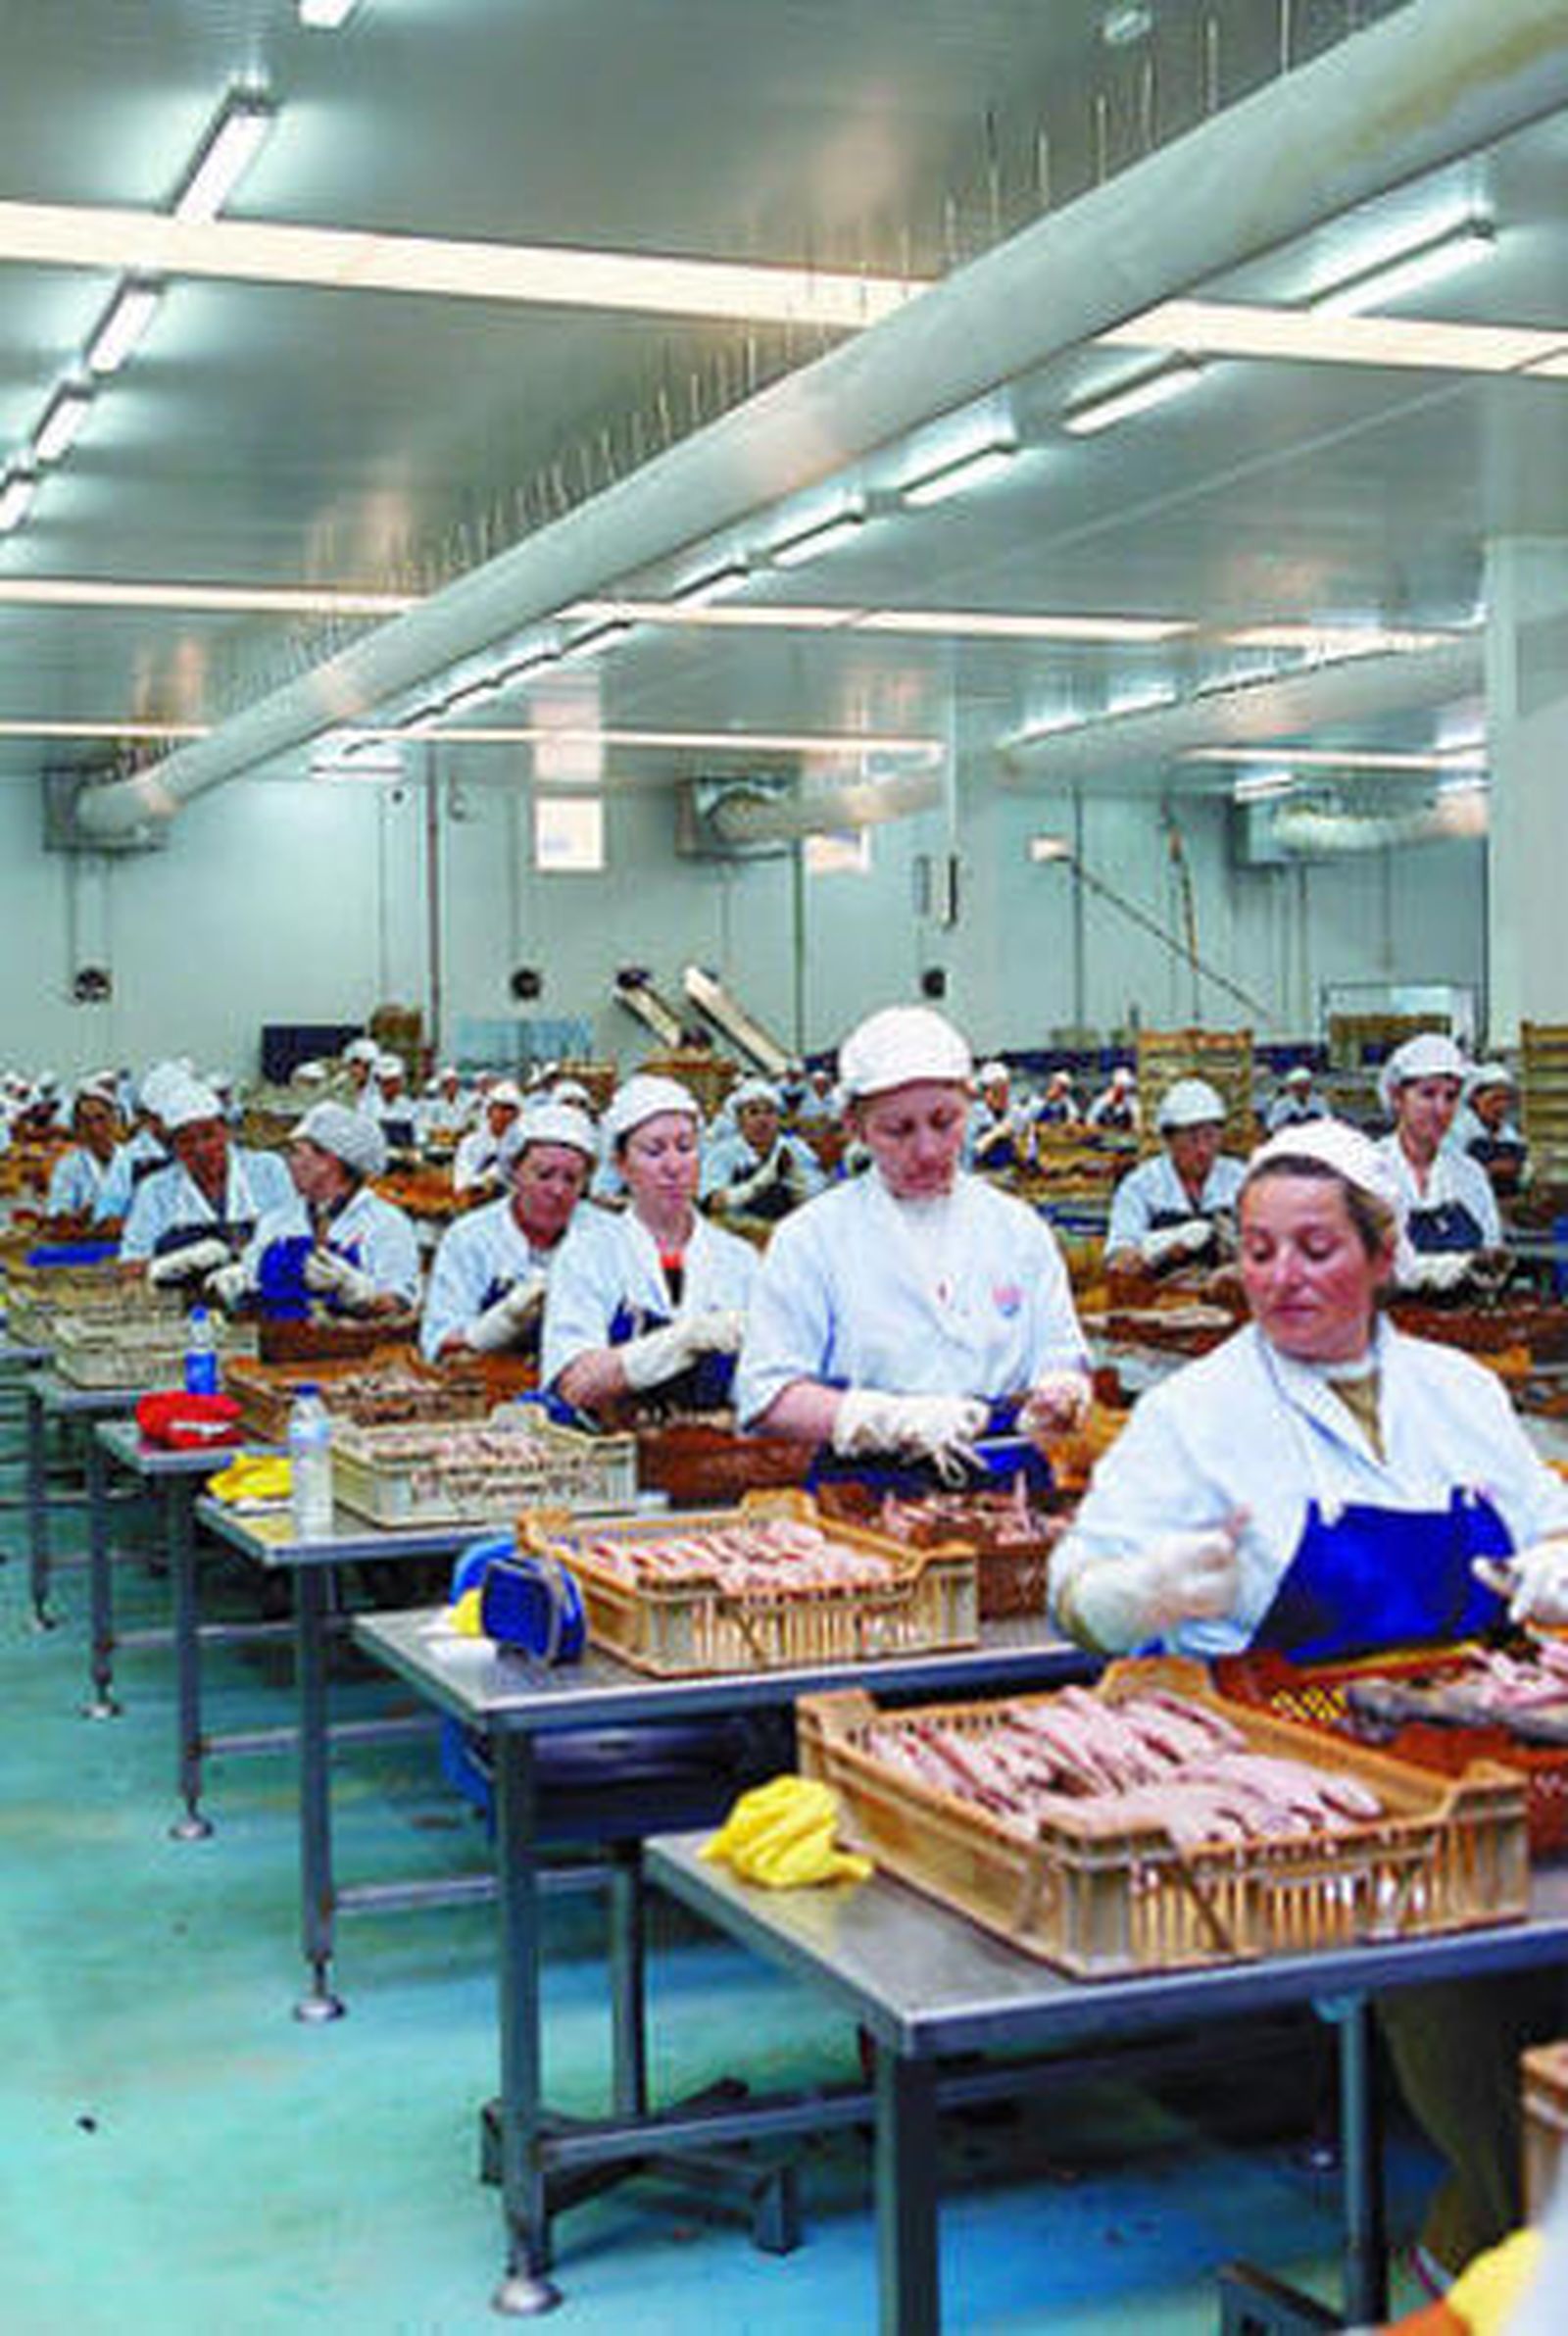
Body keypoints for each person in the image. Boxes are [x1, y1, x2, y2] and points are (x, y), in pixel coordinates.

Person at [1051, 1116, 1568, 2277]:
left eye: (1316, 1249)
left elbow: (1545, 1522)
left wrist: (1552, 1570)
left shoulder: (1459, 1390)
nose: (1282, 1279)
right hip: (1311, 1765)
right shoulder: (1196, 1412)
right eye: (1259, 1249)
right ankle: (1484, 2237)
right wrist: (1130, 1596)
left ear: (1382, 1256)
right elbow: (1068, 1589)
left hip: (1488, 1734)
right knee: (1438, 1948)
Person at [734, 1005, 1090, 1472]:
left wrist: (1062, 1387)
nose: (928, 1150)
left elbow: (1060, 1350)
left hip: (1009, 1484)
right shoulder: (812, 1239)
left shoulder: (1017, 1229)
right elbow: (767, 1397)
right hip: (866, 1493)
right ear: (855, 1128)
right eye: (898, 1130)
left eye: (945, 1122)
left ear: (970, 1106)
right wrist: (885, 1420)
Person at [541, 1074, 758, 1417]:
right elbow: (574, 1384)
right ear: (622, 1164)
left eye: (685, 1147)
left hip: (715, 1454)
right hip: (615, 1451)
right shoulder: (587, 1256)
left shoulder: (739, 1260)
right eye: (654, 1151)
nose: (673, 1166)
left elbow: (765, 1379)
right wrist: (683, 1340)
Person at [419, 1101, 597, 1362]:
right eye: (544, 1175)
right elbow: (439, 1346)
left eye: (571, 1179)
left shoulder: (609, 1237)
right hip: (483, 1391)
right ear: (514, 1172)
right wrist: (499, 1324)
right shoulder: (469, 1238)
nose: (558, 1190)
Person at [218, 1101, 420, 1319]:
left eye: (296, 1153)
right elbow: (252, 1287)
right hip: (280, 1345)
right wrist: (237, 1284)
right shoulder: (277, 1221)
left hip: (353, 1349)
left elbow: (401, 1305)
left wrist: (363, 1294)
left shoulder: (386, 1224)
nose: (288, 1162)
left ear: (329, 1160)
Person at [119, 1077, 294, 1284]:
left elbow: (294, 1239)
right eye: (186, 1141)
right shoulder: (154, 1191)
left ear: (226, 1132)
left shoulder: (268, 1170)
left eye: (208, 1135)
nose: (200, 1149)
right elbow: (130, 1265)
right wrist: (177, 1263)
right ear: (173, 1147)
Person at [1375, 1033, 1503, 1293]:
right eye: (1428, 1094)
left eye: (1451, 1097)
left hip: (1462, 1326)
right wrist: (1452, 1267)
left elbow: (1492, 1253)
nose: (1440, 1109)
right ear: (1398, 1097)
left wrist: (1490, 1271)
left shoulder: (1469, 1175)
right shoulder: (1371, 1171)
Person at [1102, 1076, 1247, 1275]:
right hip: (1157, 1299)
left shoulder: (1241, 1179)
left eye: (1210, 1136)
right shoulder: (1140, 1186)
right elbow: (1118, 1259)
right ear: (1168, 1140)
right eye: (1192, 1139)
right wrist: (1167, 1245)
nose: (1203, 1149)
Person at [701, 1077, 822, 1229]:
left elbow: (819, 1197)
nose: (762, 1120)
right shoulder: (724, 1153)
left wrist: (798, 1183)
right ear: (739, 1119)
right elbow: (711, 1202)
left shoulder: (796, 1149)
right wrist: (755, 1185)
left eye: (770, 1112)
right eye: (753, 1113)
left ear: (779, 1119)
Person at [45, 1080, 125, 1227]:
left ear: (114, 1119)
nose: (95, 1129)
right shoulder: (67, 1166)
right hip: (86, 1242)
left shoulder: (134, 1160)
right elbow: (57, 1210)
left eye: (101, 1118)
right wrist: (75, 1217)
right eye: (86, 1121)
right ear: (78, 1126)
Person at [1453, 1062, 1528, 1200]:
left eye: (1505, 1099)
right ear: (1475, 1098)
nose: (1501, 1106)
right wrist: (1491, 1169)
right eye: (1495, 1099)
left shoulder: (1509, 1134)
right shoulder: (1457, 1131)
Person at [451, 1079, 524, 1199]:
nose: (502, 1114)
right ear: (489, 1111)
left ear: (516, 1114)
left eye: (508, 1109)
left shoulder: (523, 1144)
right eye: (498, 1108)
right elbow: (460, 1183)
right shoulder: (470, 1144)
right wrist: (484, 1181)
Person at [966, 1059, 1032, 1174]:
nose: (1002, 1098)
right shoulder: (973, 1115)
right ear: (986, 1092)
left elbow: (1029, 1150)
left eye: (1005, 1092)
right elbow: (968, 1157)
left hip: (1010, 1172)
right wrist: (995, 1134)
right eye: (996, 1092)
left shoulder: (1015, 1111)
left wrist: (1022, 1137)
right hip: (982, 1174)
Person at [1264, 1063, 1328, 1132]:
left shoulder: (1319, 1101)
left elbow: (1327, 1120)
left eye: (1306, 1087)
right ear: (1291, 1088)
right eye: (1298, 1087)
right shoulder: (1282, 1104)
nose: (1302, 1090)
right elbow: (1271, 1125)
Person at [1085, 1064, 1138, 1132]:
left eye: (1124, 1087)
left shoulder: (1131, 1100)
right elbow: (1090, 1117)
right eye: (1119, 1087)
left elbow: (1137, 1118)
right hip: (1104, 1129)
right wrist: (1091, 1124)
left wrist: (1136, 1124)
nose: (1122, 1089)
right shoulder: (1104, 1099)